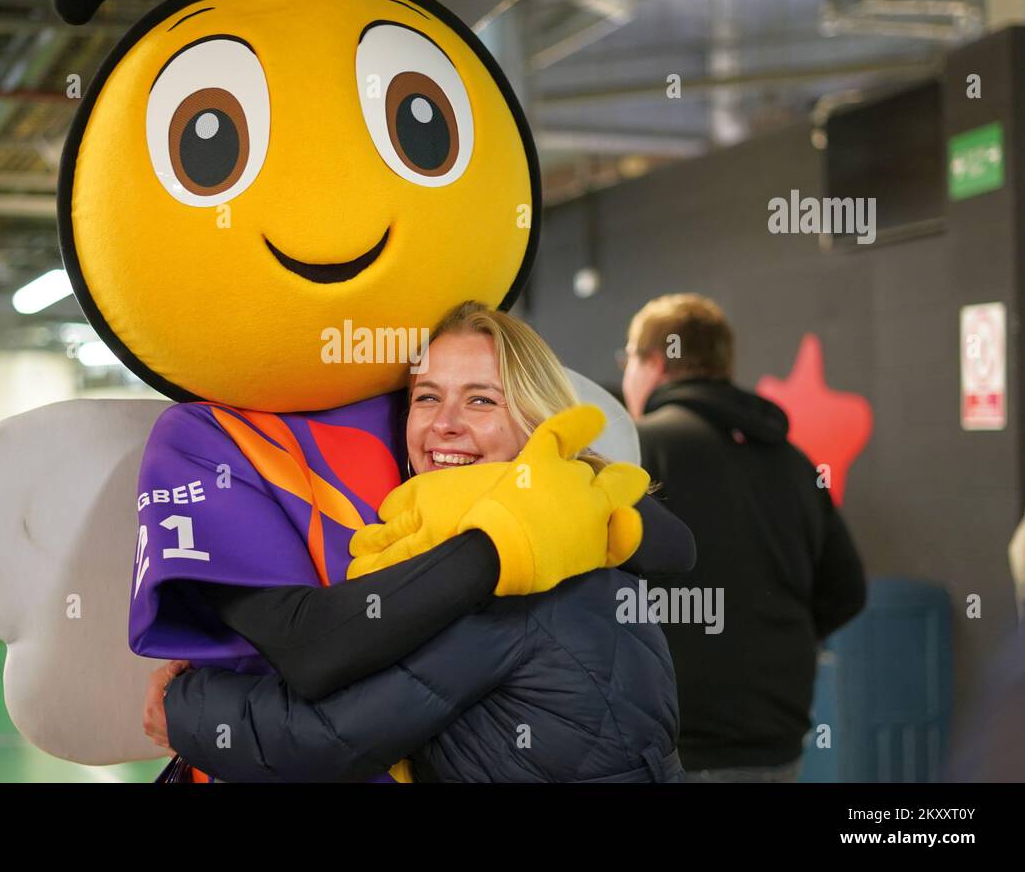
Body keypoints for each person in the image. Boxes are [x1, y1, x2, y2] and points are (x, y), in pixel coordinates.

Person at [144, 302, 697, 782]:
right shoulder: (572, 519)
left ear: (537, 423)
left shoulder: (519, 571)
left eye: (481, 401)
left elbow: (329, 739)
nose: (446, 424)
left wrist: (183, 708)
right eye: (428, 397)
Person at [619, 293, 866, 781]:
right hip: (777, 743)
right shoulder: (793, 462)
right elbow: (848, 589)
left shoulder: (637, 446)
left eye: (627, 357)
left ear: (651, 362)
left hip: (674, 747)